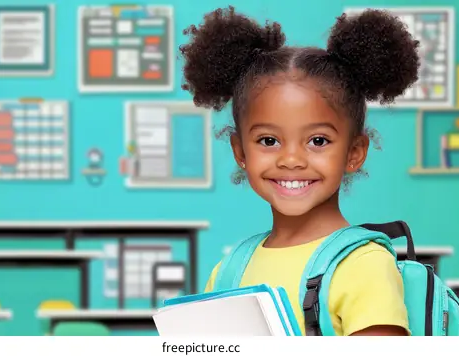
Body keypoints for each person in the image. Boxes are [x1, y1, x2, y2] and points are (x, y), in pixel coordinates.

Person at [179, 7, 419, 336]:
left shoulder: (363, 264)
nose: (291, 159)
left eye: (318, 140)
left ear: (354, 153)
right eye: (269, 140)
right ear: (240, 152)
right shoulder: (228, 272)